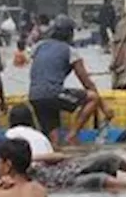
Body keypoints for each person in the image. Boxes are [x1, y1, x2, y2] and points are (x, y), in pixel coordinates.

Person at [27, 16, 112, 145]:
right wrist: (104, 107)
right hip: (53, 93)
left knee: (54, 141)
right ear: (70, 34)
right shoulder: (70, 51)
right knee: (93, 97)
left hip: (34, 96)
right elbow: (87, 83)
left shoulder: (39, 46)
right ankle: (72, 135)